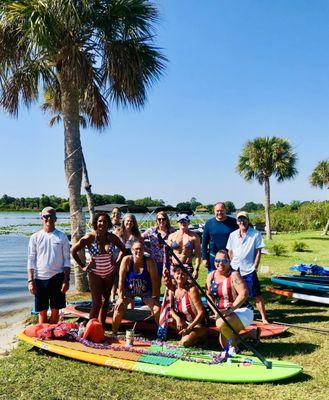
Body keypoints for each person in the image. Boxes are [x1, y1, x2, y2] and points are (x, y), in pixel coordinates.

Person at [71, 212, 125, 325]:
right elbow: (73, 251)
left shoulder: (112, 237)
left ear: (108, 223)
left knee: (106, 301)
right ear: (96, 223)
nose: (102, 223)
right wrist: (83, 267)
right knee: (96, 303)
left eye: (105, 221)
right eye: (100, 221)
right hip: (95, 273)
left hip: (109, 272)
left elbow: (123, 249)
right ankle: (91, 327)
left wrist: (116, 262)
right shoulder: (90, 237)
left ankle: (102, 326)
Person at [27, 207, 71, 324]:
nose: (49, 218)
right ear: (42, 218)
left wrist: (66, 280)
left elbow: (67, 260)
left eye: (52, 216)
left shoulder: (62, 236)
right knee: (42, 311)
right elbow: (31, 260)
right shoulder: (35, 237)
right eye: (46, 216)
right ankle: (44, 337)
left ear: (56, 219)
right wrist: (30, 281)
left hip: (58, 277)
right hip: (39, 279)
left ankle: (52, 335)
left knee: (55, 311)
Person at [206, 250, 254, 348]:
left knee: (221, 323)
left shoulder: (234, 275)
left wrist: (230, 310)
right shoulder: (211, 276)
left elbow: (244, 293)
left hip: (241, 311)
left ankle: (234, 345)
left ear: (229, 261)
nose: (220, 263)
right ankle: (251, 333)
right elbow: (208, 295)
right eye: (217, 260)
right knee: (225, 346)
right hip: (221, 313)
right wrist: (215, 311)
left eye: (224, 261)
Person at [226, 211, 268, 324]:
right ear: (237, 222)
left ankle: (264, 318)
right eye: (240, 220)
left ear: (248, 221)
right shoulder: (232, 235)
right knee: (235, 294)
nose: (242, 222)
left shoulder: (255, 234)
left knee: (257, 295)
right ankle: (236, 315)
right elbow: (230, 251)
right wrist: (230, 265)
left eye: (244, 219)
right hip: (235, 268)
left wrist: (255, 266)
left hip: (249, 269)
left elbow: (259, 251)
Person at [112, 240, 160, 334]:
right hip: (129, 290)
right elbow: (120, 280)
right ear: (132, 250)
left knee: (157, 309)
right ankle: (114, 333)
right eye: (136, 249)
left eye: (141, 249)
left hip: (146, 291)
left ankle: (161, 334)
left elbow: (155, 281)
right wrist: (120, 298)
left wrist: (155, 297)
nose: (139, 251)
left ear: (144, 250)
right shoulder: (126, 260)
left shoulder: (149, 261)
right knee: (119, 307)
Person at [169, 266, 207, 347]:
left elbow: (201, 312)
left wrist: (190, 328)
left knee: (185, 342)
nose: (180, 276)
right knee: (167, 321)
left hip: (197, 324)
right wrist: (178, 319)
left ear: (187, 276)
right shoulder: (172, 289)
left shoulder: (191, 290)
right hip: (185, 322)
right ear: (174, 275)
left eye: (183, 274)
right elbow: (170, 309)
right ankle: (187, 335)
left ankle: (199, 337)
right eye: (178, 274)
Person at [142, 211, 174, 293]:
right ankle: (156, 300)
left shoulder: (171, 230)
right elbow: (139, 238)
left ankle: (170, 301)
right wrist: (147, 250)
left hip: (169, 261)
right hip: (155, 261)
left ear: (167, 220)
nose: (161, 221)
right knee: (156, 282)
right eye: (159, 219)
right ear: (156, 220)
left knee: (170, 282)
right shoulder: (151, 230)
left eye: (163, 219)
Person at [202, 202, 238, 273]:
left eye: (221, 210)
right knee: (213, 278)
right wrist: (204, 258)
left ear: (225, 210)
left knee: (229, 278)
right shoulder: (209, 223)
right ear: (214, 211)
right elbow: (204, 242)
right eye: (217, 211)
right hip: (213, 256)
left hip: (229, 256)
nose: (219, 212)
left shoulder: (233, 222)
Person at [167, 214, 201, 279]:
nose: (183, 223)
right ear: (178, 223)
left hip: (187, 265)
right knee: (174, 288)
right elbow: (167, 254)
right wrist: (166, 267)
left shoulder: (194, 237)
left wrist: (196, 270)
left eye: (185, 221)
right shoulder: (171, 236)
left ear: (189, 222)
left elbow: (198, 256)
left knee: (190, 287)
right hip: (174, 266)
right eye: (181, 221)